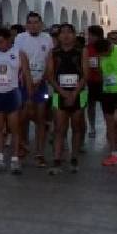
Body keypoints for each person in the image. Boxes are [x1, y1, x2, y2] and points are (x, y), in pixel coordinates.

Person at [0, 27, 30, 174]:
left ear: (9, 40)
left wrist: (29, 95)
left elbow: (27, 75)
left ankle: (15, 160)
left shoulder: (19, 54)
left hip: (12, 94)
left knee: (14, 129)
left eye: (1, 42)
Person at [45, 23, 86, 175]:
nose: (66, 35)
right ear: (59, 36)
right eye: (63, 32)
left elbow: (85, 75)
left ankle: (74, 158)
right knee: (59, 128)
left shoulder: (82, 52)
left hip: (79, 94)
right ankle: (57, 159)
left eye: (69, 32)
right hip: (58, 94)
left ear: (74, 35)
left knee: (76, 127)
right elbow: (49, 75)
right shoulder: (53, 53)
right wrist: (62, 92)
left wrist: (74, 93)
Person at [90, 34, 117, 168]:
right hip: (108, 92)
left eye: (106, 53)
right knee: (110, 125)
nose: (104, 56)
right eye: (102, 55)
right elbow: (101, 72)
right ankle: (114, 153)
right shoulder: (99, 55)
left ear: (109, 47)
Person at [14, 11, 54, 167]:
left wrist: (42, 79)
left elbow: (49, 61)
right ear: (26, 24)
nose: (33, 25)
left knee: (40, 118)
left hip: (41, 84)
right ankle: (22, 145)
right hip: (23, 82)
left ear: (41, 24)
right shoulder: (20, 38)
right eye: (30, 22)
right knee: (22, 115)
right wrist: (29, 82)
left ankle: (40, 152)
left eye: (36, 22)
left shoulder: (47, 39)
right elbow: (21, 61)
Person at [83, 26, 105, 139]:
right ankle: (92, 127)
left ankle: (108, 127)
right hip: (90, 81)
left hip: (103, 82)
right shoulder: (87, 48)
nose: (89, 37)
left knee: (105, 106)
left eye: (91, 35)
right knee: (90, 106)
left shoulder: (104, 47)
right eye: (88, 35)